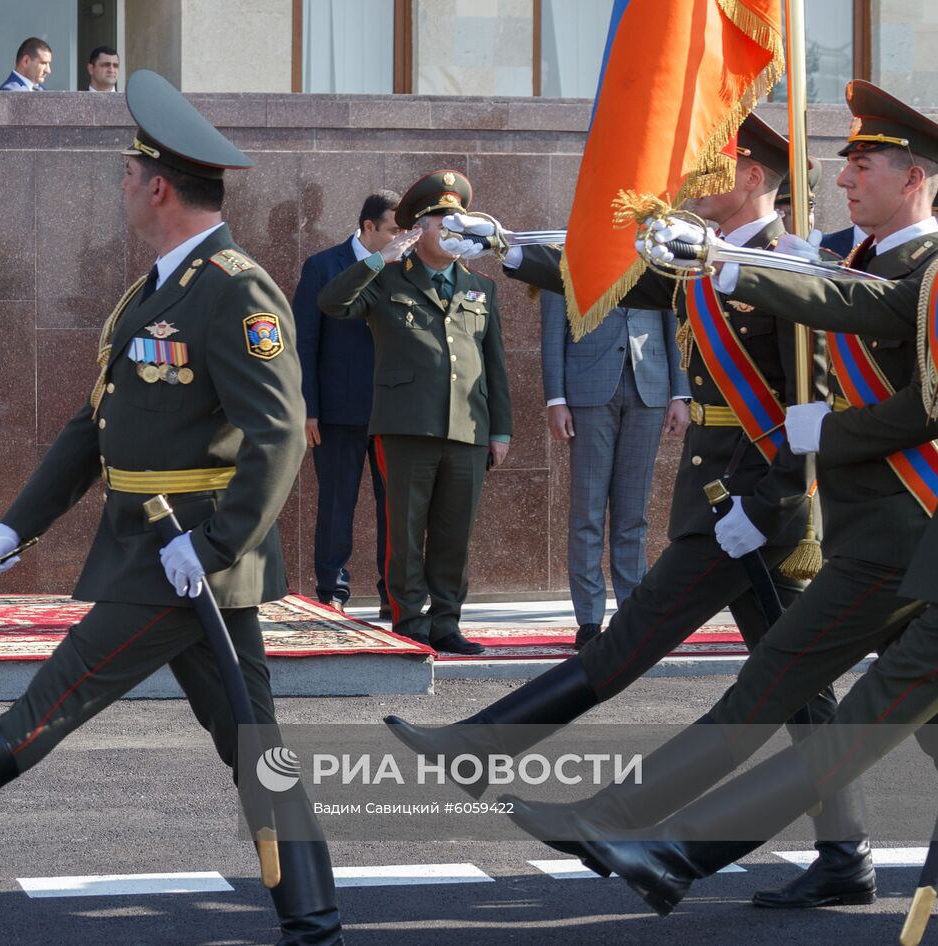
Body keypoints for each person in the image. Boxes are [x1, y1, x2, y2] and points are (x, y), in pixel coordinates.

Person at [0, 70, 343, 946]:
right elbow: (96, 426)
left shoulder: (234, 286)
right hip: (167, 557)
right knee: (252, 739)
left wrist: (221, 542)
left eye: (127, 172)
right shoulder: (152, 293)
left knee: (44, 708)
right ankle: (314, 921)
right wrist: (16, 524)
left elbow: (279, 438)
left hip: (179, 562)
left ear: (159, 186)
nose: (121, 185)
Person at [385, 113, 883, 908]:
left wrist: (775, 499)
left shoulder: (792, 266)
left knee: (631, 639)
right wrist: (507, 249)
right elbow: (604, 277)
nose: (696, 180)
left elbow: (811, 401)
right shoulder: (702, 262)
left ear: (755, 178)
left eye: (716, 167)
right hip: (718, 494)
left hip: (753, 506)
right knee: (799, 683)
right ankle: (845, 851)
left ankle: (480, 747)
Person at [495, 86, 938, 910]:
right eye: (842, 166)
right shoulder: (851, 257)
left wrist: (817, 438)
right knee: (790, 692)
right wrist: (519, 249)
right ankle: (639, 825)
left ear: (913, 177)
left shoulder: (919, 270)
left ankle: (654, 838)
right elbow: (677, 287)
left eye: (863, 165)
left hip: (906, 532)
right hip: (872, 532)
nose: (844, 180)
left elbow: (876, 324)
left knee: (821, 707)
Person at [318, 171, 511, 655]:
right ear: (418, 229)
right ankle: (409, 620)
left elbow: (495, 363)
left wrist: (500, 429)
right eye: (443, 222)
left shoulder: (479, 287)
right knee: (404, 530)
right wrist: (379, 259)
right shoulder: (386, 278)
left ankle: (446, 621)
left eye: (459, 223)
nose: (453, 232)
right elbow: (332, 303)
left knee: (454, 531)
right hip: (405, 425)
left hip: (467, 425)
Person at [540, 291, 690, 650]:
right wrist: (555, 399)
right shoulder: (570, 257)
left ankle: (632, 613)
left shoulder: (655, 251)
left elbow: (676, 327)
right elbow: (552, 332)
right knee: (587, 511)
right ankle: (589, 619)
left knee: (633, 513)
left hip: (649, 389)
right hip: (588, 390)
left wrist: (680, 394)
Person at [293, 191, 402, 616]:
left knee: (395, 509)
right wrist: (309, 407)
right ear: (368, 226)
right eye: (394, 228)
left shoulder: (404, 266)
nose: (402, 237)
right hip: (337, 413)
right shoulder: (323, 265)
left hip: (393, 413)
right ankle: (332, 592)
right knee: (336, 504)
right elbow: (306, 340)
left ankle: (391, 594)